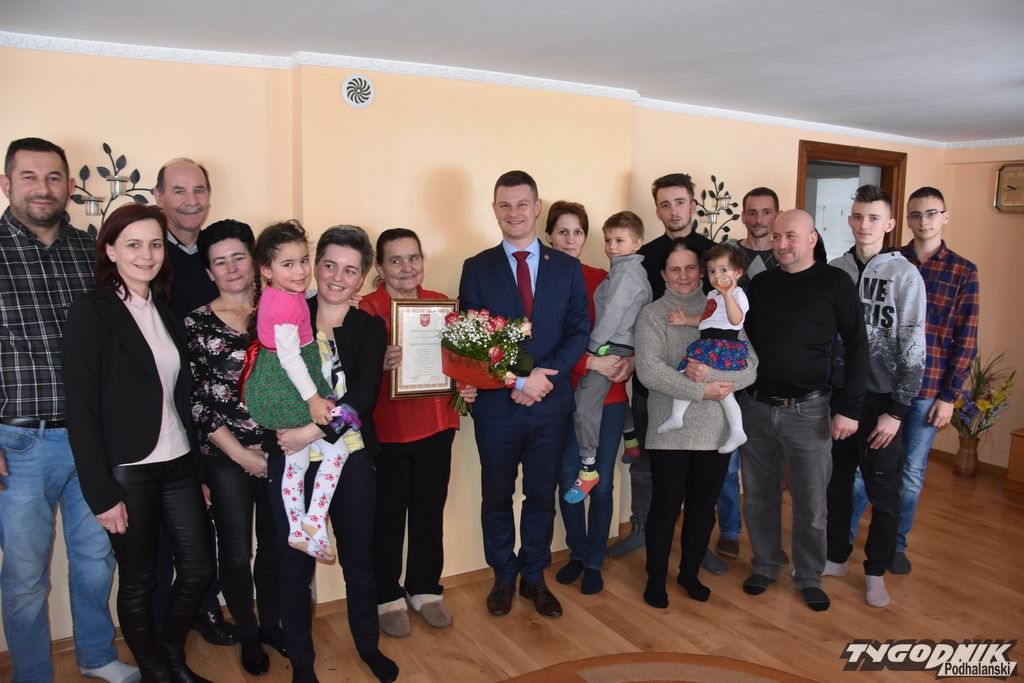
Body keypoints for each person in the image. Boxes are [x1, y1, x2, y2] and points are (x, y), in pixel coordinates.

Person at [0, 137, 138, 683]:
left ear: (70, 186)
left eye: (54, 177)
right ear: (7, 185)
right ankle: (32, 674)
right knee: (25, 576)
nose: (43, 188)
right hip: (19, 444)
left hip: (93, 442)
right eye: (29, 177)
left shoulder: (92, 252)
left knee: (95, 559)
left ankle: (96, 656)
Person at [62, 203, 215, 681]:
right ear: (110, 250)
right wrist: (100, 493)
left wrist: (199, 474)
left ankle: (170, 653)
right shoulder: (92, 311)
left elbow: (181, 400)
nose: (146, 254)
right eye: (133, 244)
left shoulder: (164, 312)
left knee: (198, 569)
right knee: (139, 579)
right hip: (129, 470)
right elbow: (81, 411)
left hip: (179, 461)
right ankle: (155, 670)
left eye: (153, 244)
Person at [268, 225, 398, 683]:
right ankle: (302, 663)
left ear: (362, 277)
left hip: (352, 457)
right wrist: (293, 435)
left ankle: (367, 646)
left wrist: (309, 431)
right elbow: (269, 383)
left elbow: (361, 397)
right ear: (315, 266)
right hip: (292, 459)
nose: (337, 278)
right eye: (329, 266)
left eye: (350, 270)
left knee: (359, 560)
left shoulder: (369, 327)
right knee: (294, 564)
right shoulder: (289, 316)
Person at [459, 170, 589, 619]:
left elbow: (578, 331)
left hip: (550, 405)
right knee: (496, 495)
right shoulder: (477, 267)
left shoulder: (567, 268)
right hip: (498, 407)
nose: (513, 213)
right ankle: (503, 575)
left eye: (521, 204)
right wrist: (519, 380)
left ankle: (534, 576)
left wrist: (540, 380)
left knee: (540, 495)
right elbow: (473, 339)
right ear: (494, 209)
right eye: (504, 205)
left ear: (536, 208)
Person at [740, 209, 867, 612]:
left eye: (791, 236)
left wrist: (850, 409)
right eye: (777, 237)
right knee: (759, 498)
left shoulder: (835, 282)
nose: (782, 244)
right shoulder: (761, 284)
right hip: (757, 409)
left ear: (812, 238)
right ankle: (765, 563)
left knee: (811, 503)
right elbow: (741, 340)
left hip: (810, 411)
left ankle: (809, 575)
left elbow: (857, 345)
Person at [849, 187, 979, 575]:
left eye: (932, 213)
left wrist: (950, 396)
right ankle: (844, 538)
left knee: (910, 473)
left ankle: (896, 545)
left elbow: (966, 337)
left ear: (945, 217)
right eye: (916, 214)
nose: (924, 221)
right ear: (904, 221)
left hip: (928, 389)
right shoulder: (887, 262)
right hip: (881, 387)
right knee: (862, 471)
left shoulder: (962, 271)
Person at [360, 228, 477, 637]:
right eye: (395, 260)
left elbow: (459, 364)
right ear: (379, 267)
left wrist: (465, 387)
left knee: (429, 513)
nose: (407, 267)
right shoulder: (366, 311)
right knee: (388, 519)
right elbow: (346, 378)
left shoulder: (441, 305)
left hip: (437, 426)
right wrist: (377, 362)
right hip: (388, 432)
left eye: (413, 257)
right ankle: (386, 596)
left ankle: (425, 588)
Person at [635, 240, 758, 608]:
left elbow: (750, 367)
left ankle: (689, 573)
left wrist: (714, 377)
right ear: (663, 274)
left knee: (703, 510)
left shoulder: (724, 304)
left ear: (702, 271)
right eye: (675, 269)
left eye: (691, 268)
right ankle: (655, 577)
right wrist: (701, 390)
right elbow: (649, 371)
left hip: (714, 431)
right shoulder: (652, 314)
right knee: (665, 509)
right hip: (669, 430)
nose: (684, 275)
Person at [186, 219, 285, 675]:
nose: (231, 268)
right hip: (227, 456)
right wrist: (243, 456)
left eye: (238, 257)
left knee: (275, 543)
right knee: (236, 550)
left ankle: (271, 624)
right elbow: (197, 402)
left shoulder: (282, 310)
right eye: (219, 262)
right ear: (209, 271)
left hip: (282, 447)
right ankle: (247, 632)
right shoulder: (196, 324)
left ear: (255, 261)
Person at [824, 185, 926, 608]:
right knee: (836, 484)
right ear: (850, 219)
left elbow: (914, 346)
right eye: (858, 216)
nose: (864, 225)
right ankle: (835, 557)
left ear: (888, 224)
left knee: (884, 494)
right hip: (839, 399)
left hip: (882, 403)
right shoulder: (835, 270)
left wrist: (897, 411)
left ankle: (875, 572)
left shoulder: (905, 275)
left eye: (873, 218)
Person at [608, 173, 716, 568]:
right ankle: (640, 528)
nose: (673, 211)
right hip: (652, 379)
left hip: (704, 381)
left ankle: (698, 546)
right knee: (645, 463)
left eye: (680, 202)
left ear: (693, 205)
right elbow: (629, 314)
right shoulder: (642, 256)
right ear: (657, 210)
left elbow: (731, 317)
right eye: (665, 204)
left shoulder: (714, 255)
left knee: (703, 473)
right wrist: (634, 358)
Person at [243, 222, 361, 562]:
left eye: (304, 261)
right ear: (266, 270)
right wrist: (313, 400)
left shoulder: (284, 294)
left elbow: (305, 299)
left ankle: (301, 528)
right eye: (288, 264)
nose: (300, 271)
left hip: (290, 383)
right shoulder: (281, 306)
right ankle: (312, 521)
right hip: (289, 387)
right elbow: (290, 358)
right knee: (336, 451)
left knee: (297, 462)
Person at [152, 157, 234, 645]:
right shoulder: (149, 253)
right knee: (168, 530)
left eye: (199, 190)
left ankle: (205, 609)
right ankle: (163, 634)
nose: (191, 201)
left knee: (210, 522)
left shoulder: (215, 252)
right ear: (159, 196)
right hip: (165, 412)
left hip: (214, 414)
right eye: (179, 191)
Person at [545, 202, 634, 595]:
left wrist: (631, 360)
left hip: (608, 399)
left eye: (577, 232)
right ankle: (577, 553)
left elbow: (628, 326)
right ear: (549, 236)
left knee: (600, 484)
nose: (570, 239)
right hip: (560, 398)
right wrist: (587, 363)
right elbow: (542, 345)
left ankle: (595, 559)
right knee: (568, 479)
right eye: (562, 231)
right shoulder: (539, 281)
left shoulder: (603, 277)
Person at [711, 187, 780, 561]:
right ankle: (731, 530)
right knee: (729, 455)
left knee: (765, 464)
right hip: (730, 363)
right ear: (743, 216)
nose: (758, 219)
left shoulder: (786, 255)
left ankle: (767, 541)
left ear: (776, 215)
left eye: (766, 212)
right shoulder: (729, 256)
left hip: (773, 371)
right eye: (752, 212)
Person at [565, 211, 650, 503]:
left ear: (637, 243)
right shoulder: (626, 269)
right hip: (619, 343)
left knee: (585, 404)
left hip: (610, 345)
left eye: (619, 240)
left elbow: (612, 315)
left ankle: (588, 468)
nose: (612, 246)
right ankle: (631, 436)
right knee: (608, 391)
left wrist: (592, 349)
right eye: (608, 240)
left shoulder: (625, 274)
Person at [657, 244, 749, 457]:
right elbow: (706, 318)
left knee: (724, 392)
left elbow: (736, 319)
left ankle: (737, 431)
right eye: (712, 271)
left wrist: (727, 295)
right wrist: (685, 320)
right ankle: (677, 416)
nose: (717, 275)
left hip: (725, 345)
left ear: (738, 273)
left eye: (723, 270)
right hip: (708, 343)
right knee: (687, 376)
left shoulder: (737, 294)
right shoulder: (713, 296)